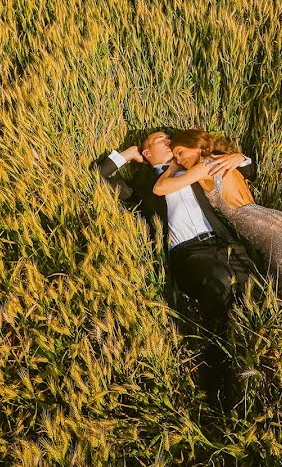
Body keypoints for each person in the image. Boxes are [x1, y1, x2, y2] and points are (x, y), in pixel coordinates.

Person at [90, 129, 258, 410]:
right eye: (160, 141)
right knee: (218, 289)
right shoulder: (142, 186)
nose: (169, 143)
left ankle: (257, 364)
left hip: (224, 242)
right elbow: (97, 175)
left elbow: (248, 170)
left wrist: (240, 158)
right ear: (147, 154)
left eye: (170, 139)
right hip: (189, 254)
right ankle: (220, 388)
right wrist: (128, 154)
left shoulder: (195, 167)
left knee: (254, 290)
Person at [154, 129, 282, 312]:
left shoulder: (205, 166)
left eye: (180, 152)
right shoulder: (221, 161)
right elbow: (249, 171)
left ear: (197, 146)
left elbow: (160, 189)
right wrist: (240, 157)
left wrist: (170, 168)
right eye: (175, 156)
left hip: (267, 230)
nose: (179, 160)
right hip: (269, 221)